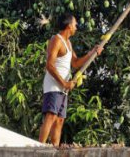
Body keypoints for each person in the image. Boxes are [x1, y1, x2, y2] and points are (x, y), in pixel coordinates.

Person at [38, 13, 103, 146]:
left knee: (60, 120)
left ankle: (54, 150)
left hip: (63, 87)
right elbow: (49, 65)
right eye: (75, 24)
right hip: (54, 85)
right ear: (69, 26)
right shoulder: (56, 40)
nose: (76, 27)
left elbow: (76, 63)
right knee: (51, 116)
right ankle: (39, 148)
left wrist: (92, 53)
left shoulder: (68, 43)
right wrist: (64, 83)